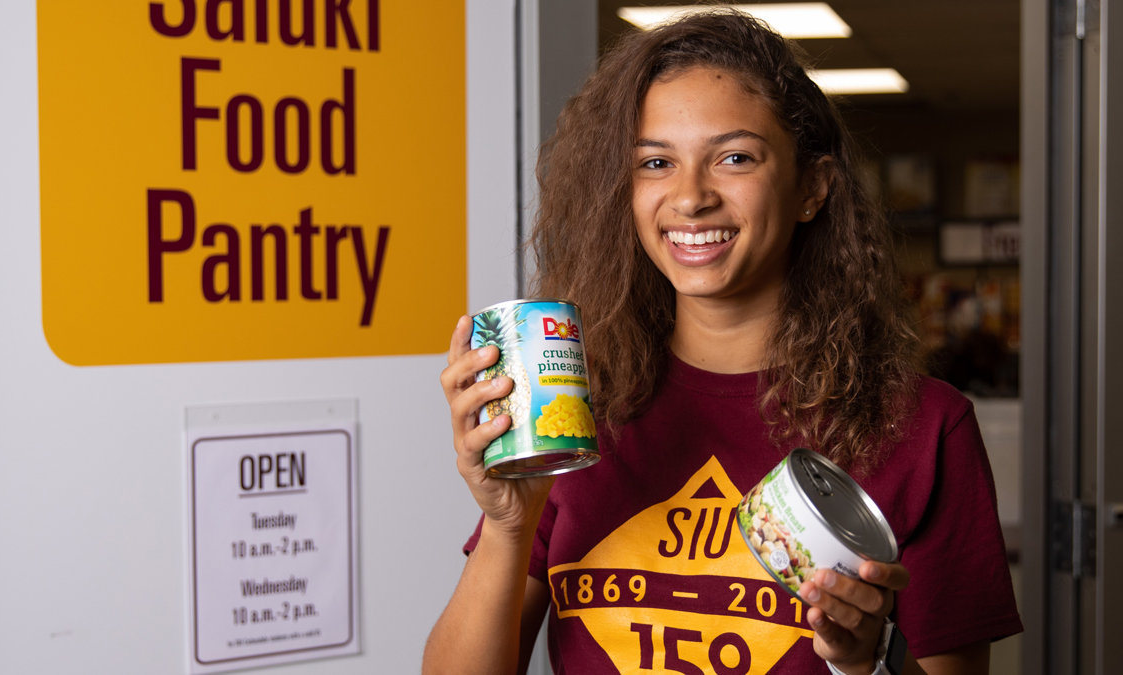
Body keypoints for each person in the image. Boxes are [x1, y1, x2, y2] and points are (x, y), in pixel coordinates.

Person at [425, 10, 1021, 675]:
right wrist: (509, 525)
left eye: (734, 157)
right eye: (656, 162)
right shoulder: (577, 410)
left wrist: (868, 659)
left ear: (811, 188)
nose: (689, 197)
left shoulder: (924, 428)